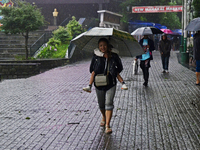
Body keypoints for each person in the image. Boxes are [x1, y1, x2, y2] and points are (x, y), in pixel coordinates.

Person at [85, 38, 124, 134]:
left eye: (105, 45)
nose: (103, 47)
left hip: (111, 83)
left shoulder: (114, 55)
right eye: (101, 45)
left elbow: (120, 67)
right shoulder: (96, 56)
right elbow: (91, 69)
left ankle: (107, 125)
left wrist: (113, 70)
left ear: (108, 45)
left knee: (109, 103)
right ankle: (103, 116)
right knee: (101, 104)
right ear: (98, 47)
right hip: (99, 83)